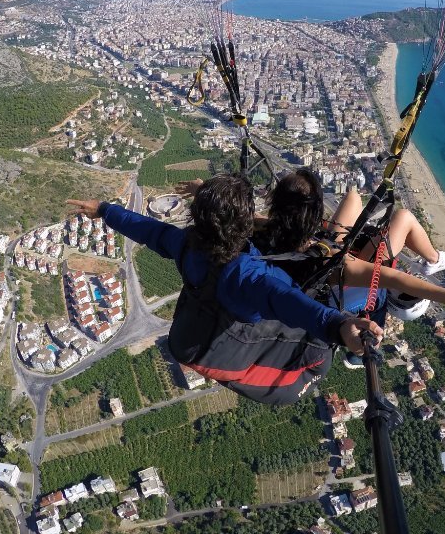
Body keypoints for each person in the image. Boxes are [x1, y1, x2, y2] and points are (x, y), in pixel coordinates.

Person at [67, 174, 382, 406]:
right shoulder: (247, 276)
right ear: (246, 223)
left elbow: (150, 230)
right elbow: (288, 301)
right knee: (319, 351)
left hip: (185, 336)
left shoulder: (188, 245)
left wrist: (106, 211)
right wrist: (337, 325)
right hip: (221, 356)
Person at [176, 170, 445, 341]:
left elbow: (397, 279)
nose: (407, 282)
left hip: (326, 256)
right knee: (362, 202)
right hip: (321, 258)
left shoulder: (355, 275)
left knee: (388, 212)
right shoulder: (358, 281)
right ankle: (433, 259)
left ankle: (434, 258)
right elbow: (398, 280)